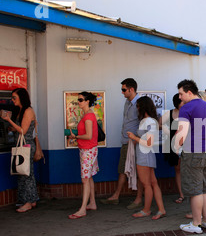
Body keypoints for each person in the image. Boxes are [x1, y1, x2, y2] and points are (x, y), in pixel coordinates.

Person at [174, 79, 206, 234]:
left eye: (181, 93)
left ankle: (196, 223)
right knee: (205, 188)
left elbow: (182, 132)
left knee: (195, 190)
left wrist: (176, 148)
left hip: (193, 152)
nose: (180, 97)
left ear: (189, 92)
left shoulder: (186, 108)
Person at [105, 78, 143, 209]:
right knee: (122, 168)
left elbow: (144, 122)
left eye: (123, 89)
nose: (122, 92)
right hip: (126, 141)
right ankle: (116, 196)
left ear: (131, 89)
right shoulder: (127, 103)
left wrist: (137, 138)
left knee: (139, 171)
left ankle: (138, 199)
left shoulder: (140, 103)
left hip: (135, 142)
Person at [127, 96, 166, 220]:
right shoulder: (150, 121)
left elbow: (148, 142)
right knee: (153, 183)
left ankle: (146, 210)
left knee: (147, 184)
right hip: (148, 154)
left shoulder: (147, 121)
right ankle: (161, 209)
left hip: (144, 155)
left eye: (138, 106)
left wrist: (134, 138)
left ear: (142, 107)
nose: (136, 108)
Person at [1, 88, 39, 213]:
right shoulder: (21, 110)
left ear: (21, 97)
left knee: (25, 174)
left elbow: (23, 130)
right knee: (28, 173)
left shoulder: (28, 111)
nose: (12, 100)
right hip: (24, 145)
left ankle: (27, 202)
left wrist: (9, 120)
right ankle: (32, 199)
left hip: (26, 145)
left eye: (14, 98)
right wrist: (12, 128)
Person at [67, 92, 99, 219]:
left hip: (87, 150)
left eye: (80, 100)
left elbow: (89, 135)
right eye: (78, 99)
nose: (78, 102)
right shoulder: (88, 115)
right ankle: (92, 203)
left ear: (87, 101)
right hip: (89, 149)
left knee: (85, 179)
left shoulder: (88, 116)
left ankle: (82, 209)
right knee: (89, 177)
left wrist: (76, 136)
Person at [160, 94, 184, 204]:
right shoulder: (169, 113)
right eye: (182, 102)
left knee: (188, 170)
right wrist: (166, 129)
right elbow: (159, 124)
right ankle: (181, 194)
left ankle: (190, 193)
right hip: (174, 147)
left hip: (187, 146)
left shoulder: (188, 113)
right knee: (177, 170)